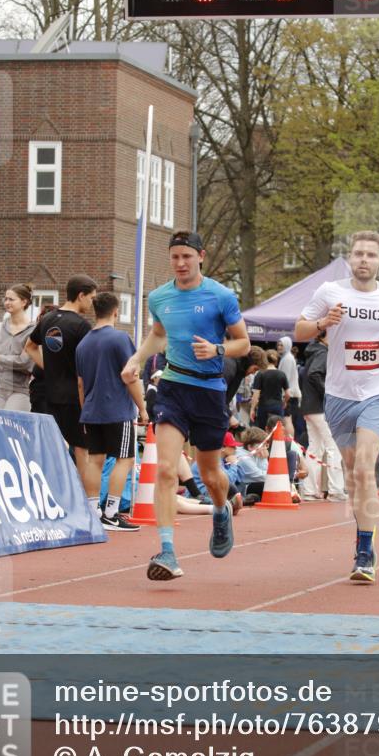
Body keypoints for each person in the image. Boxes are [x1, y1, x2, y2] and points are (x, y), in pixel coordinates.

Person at [121, 230, 250, 581]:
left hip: (209, 391)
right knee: (165, 469)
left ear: (200, 257)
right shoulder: (160, 297)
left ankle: (221, 511)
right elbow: (159, 334)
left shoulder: (220, 296)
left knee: (210, 474)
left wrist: (218, 350)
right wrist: (136, 358)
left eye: (186, 257)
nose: (180, 263)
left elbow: (244, 343)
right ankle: (167, 551)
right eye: (175, 257)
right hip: (173, 386)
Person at [295, 230, 379, 584]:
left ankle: (365, 552)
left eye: (370, 255)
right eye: (358, 254)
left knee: (365, 467)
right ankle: (364, 535)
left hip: (377, 393)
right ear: (350, 259)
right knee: (352, 474)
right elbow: (299, 329)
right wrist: (323, 323)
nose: (363, 260)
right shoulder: (330, 292)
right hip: (338, 396)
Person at [75, 292, 148, 530]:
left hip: (92, 409)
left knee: (95, 460)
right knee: (124, 459)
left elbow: (80, 383)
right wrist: (143, 408)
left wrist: (85, 409)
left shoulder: (83, 343)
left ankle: (94, 510)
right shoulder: (119, 339)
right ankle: (111, 513)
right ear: (116, 311)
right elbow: (130, 376)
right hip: (116, 409)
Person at [25, 274, 97, 485]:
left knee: (48, 447)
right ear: (81, 295)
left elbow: (29, 346)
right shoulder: (81, 326)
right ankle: (84, 500)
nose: (92, 304)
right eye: (91, 298)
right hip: (74, 396)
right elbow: (89, 363)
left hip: (49, 393)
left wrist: (50, 367)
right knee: (82, 449)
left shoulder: (47, 319)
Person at [299, 329, 347, 501]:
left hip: (310, 406)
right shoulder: (324, 353)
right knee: (333, 446)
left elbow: (309, 374)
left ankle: (310, 490)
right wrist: (329, 394)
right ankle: (335, 490)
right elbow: (315, 374)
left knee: (315, 449)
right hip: (321, 407)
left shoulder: (313, 352)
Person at [0, 285, 35, 411]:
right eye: (5, 299)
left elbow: (27, 363)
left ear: (24, 302)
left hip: (19, 391)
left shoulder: (33, 331)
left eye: (11, 299)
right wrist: (15, 364)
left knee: (11, 427)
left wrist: (0, 358)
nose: (7, 302)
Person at [250, 349, 289, 429]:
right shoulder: (282, 374)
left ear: (264, 359)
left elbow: (256, 394)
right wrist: (285, 402)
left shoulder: (260, 373)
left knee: (263, 430)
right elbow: (288, 393)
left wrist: (252, 409)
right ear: (276, 360)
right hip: (277, 406)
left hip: (264, 406)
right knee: (278, 430)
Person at [277, 335, 302, 438]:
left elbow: (285, 379)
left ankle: (290, 442)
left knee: (287, 419)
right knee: (288, 419)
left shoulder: (287, 359)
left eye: (281, 345)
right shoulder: (287, 358)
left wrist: (284, 397)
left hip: (289, 395)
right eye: (278, 345)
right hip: (290, 394)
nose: (279, 347)